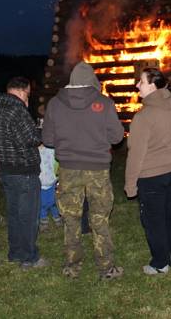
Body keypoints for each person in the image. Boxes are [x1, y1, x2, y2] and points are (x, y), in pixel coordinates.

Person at [41, 61, 125, 280]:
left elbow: (47, 139)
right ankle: (106, 267)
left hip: (68, 169)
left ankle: (72, 266)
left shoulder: (54, 104)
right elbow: (117, 137)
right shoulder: (104, 103)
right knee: (99, 218)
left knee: (70, 218)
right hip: (98, 170)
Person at [124, 67, 171, 275]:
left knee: (154, 220)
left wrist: (130, 184)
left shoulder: (144, 116)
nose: (137, 85)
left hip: (152, 174)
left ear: (152, 85)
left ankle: (160, 263)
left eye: (141, 82)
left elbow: (136, 153)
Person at [0, 76, 46, 269]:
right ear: (22, 91)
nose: (28, 99)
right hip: (24, 171)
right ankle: (29, 257)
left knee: (14, 213)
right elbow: (30, 138)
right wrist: (41, 129)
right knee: (28, 216)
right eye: (28, 94)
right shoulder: (17, 108)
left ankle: (15, 252)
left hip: (5, 169)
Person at [37, 144, 61, 231]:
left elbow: (56, 162)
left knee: (53, 201)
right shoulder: (35, 151)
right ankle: (43, 220)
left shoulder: (51, 149)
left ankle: (56, 216)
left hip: (52, 181)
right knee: (42, 203)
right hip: (40, 183)